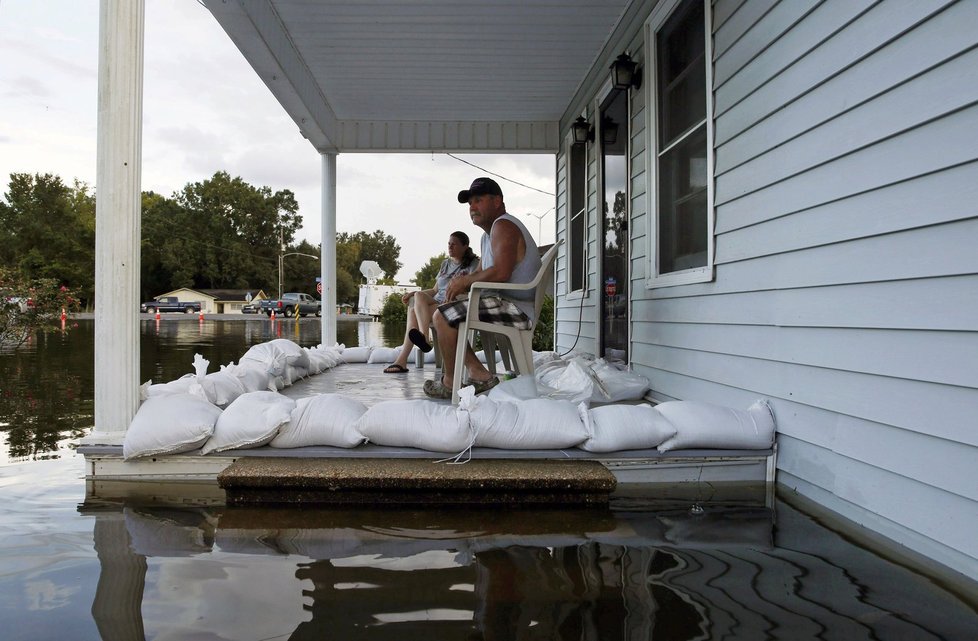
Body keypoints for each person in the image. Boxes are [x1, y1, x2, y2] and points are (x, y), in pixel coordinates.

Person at [422, 177, 541, 399]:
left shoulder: (504, 225)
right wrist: (460, 285)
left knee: (442, 317)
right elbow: (482, 274)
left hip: (517, 308)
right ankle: (479, 375)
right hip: (505, 303)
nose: (472, 208)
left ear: (497, 201)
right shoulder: (488, 235)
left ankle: (454, 382)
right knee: (446, 312)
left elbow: (501, 272)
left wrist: (465, 283)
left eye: (478, 200)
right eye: (470, 204)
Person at [383, 231, 479, 373]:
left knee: (414, 310)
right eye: (449, 244)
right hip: (437, 303)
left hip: (453, 305)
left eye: (454, 244)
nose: (450, 247)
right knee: (417, 298)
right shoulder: (445, 264)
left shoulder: (474, 263)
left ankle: (402, 360)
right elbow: (434, 290)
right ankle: (424, 339)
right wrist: (413, 295)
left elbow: (474, 287)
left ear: (465, 246)